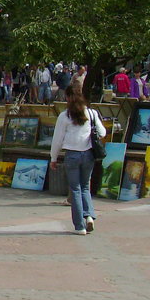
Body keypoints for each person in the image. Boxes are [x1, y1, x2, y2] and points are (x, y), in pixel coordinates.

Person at [50, 82, 105, 235]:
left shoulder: (64, 116)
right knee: (85, 187)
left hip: (72, 155)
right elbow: (102, 132)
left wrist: (53, 158)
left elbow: (57, 140)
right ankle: (89, 216)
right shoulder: (91, 113)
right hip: (88, 154)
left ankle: (79, 226)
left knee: (75, 189)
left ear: (67, 97)